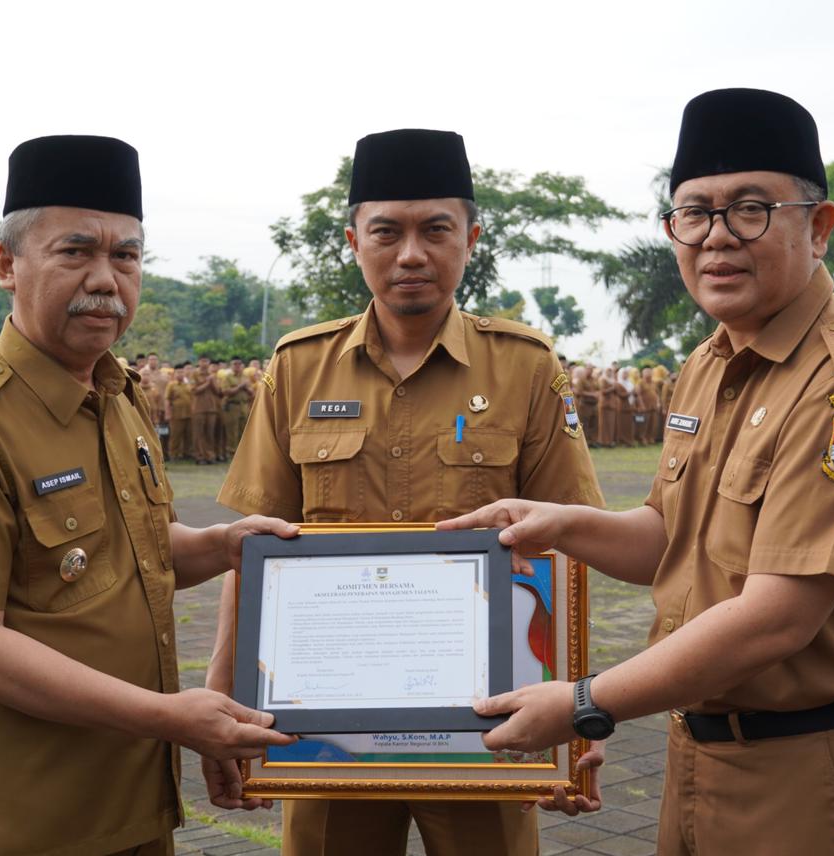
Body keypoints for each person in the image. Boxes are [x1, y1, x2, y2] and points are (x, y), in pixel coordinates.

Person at [442, 89, 834, 855]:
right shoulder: (712, 362)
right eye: (693, 213)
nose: (715, 238)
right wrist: (560, 524)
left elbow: (778, 613)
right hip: (703, 756)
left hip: (819, 774)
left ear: (820, 227)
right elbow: (671, 539)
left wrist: (583, 702)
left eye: (749, 210)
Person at [0, 135, 295, 856]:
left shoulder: (116, 393)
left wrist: (224, 546)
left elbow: (129, 546)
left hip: (132, 801)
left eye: (127, 256)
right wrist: (171, 716)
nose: (107, 280)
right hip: (26, 820)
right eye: (75, 252)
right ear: (8, 265)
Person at [207, 128, 607, 856]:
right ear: (353, 241)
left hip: (486, 726)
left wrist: (577, 711)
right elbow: (253, 547)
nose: (411, 253)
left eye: (436, 230)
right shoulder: (298, 368)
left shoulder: (524, 367)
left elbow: (569, 547)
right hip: (324, 731)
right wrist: (223, 699)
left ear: (472, 238)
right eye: (387, 231)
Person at [165, 362, 193, 461]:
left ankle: (187, 453)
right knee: (175, 436)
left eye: (181, 372)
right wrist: (168, 413)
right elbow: (167, 400)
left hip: (189, 414)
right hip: (176, 414)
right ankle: (173, 454)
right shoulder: (171, 385)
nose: (180, 374)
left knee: (189, 435)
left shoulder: (189, 384)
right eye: (178, 372)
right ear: (175, 374)